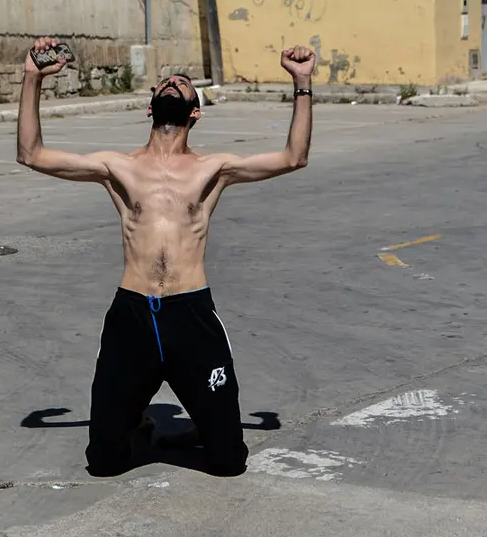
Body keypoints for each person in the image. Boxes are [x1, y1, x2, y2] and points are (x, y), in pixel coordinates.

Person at [16, 37, 315, 478]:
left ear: (195, 111)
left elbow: (294, 157)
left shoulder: (214, 168)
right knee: (103, 464)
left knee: (229, 463)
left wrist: (302, 84)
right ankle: (137, 424)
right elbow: (31, 154)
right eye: (166, 82)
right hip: (132, 316)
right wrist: (31, 78)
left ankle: (201, 424)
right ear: (150, 106)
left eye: (184, 83)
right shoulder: (117, 167)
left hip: (191, 315)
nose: (174, 83)